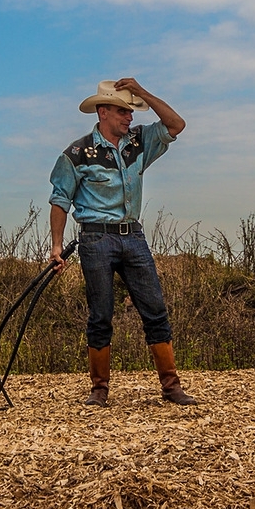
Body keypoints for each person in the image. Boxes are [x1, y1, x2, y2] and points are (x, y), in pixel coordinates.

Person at [49, 78, 196, 407]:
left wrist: (143, 93)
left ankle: (171, 387)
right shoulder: (76, 153)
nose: (129, 117)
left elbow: (176, 124)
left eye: (131, 111)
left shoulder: (140, 142)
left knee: (155, 311)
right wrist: (57, 247)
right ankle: (99, 390)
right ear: (102, 112)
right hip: (95, 238)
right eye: (121, 111)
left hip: (134, 236)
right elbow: (60, 200)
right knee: (100, 315)